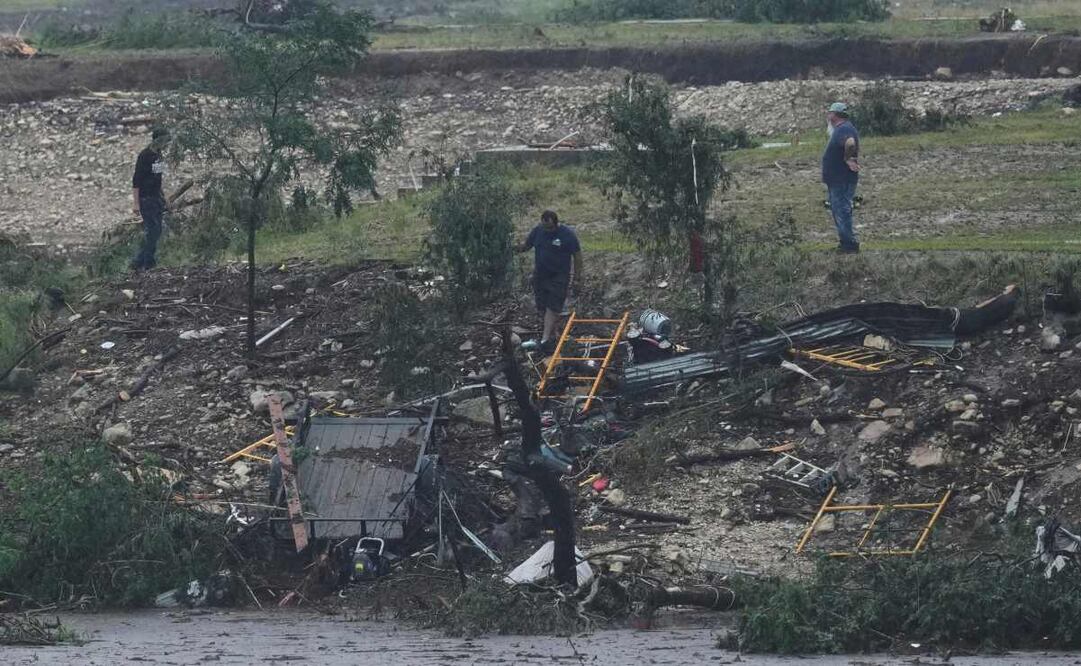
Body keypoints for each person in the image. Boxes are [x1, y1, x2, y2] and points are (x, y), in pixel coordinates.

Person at [517, 210, 583, 352]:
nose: (547, 230)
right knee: (542, 306)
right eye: (544, 226)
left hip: (559, 275)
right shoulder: (538, 231)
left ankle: (545, 339)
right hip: (540, 275)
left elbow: (577, 256)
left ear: (555, 223)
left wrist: (577, 278)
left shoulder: (566, 234)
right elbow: (526, 246)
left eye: (550, 227)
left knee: (553, 306)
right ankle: (555, 334)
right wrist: (509, 248)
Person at [822, 102, 861, 253]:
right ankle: (846, 242)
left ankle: (849, 245)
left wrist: (848, 159)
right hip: (838, 179)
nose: (828, 115)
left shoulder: (843, 129)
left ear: (835, 115)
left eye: (830, 112)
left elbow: (850, 144)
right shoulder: (843, 128)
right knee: (840, 209)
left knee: (842, 210)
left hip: (841, 179)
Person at [131, 127, 170, 270]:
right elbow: (136, 180)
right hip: (146, 198)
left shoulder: (159, 155)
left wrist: (164, 197)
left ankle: (141, 261)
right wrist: (136, 204)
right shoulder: (144, 156)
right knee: (152, 229)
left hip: (156, 197)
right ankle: (145, 262)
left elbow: (158, 179)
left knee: (158, 230)